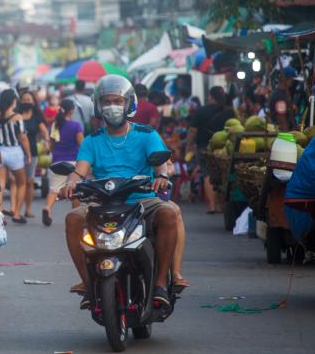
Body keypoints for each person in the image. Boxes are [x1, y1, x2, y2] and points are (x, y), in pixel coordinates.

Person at [60, 75, 180, 310]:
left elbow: (160, 164)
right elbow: (80, 171)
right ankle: (87, 284)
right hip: (103, 203)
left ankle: (160, 284)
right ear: (98, 106)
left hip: (142, 200)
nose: (112, 106)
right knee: (73, 219)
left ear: (129, 104)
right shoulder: (92, 140)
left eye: (117, 101)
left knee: (168, 213)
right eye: (106, 101)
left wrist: (162, 177)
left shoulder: (147, 134)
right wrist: (70, 184)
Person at [186, 86, 235, 214]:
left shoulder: (201, 111)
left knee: (207, 174)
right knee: (223, 173)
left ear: (210, 96)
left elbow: (192, 130)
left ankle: (212, 205)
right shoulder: (230, 112)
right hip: (225, 148)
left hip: (204, 147)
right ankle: (220, 204)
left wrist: (189, 145)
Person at [42, 99, 83, 226]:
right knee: (74, 190)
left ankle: (47, 208)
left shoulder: (55, 125)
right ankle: (75, 215)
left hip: (57, 162)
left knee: (54, 190)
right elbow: (81, 144)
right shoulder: (76, 126)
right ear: (72, 110)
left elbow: (52, 145)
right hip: (72, 162)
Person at [0, 89, 32, 223]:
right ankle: (16, 213)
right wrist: (28, 154)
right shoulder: (18, 117)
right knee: (21, 183)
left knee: (0, 184)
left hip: (0, 151)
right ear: (12, 101)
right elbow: (23, 138)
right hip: (15, 151)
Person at [19, 90, 50, 219]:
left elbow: (44, 131)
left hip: (33, 151)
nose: (26, 102)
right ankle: (16, 210)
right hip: (17, 151)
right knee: (17, 181)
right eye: (24, 100)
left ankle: (28, 209)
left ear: (33, 102)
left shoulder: (37, 116)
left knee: (29, 181)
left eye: (29, 100)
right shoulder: (16, 115)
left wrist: (46, 140)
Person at [268, 66, 299, 131]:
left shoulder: (285, 94)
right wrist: (286, 139)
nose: (293, 82)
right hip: (282, 132)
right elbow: (281, 119)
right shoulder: (279, 96)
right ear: (287, 79)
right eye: (292, 80)